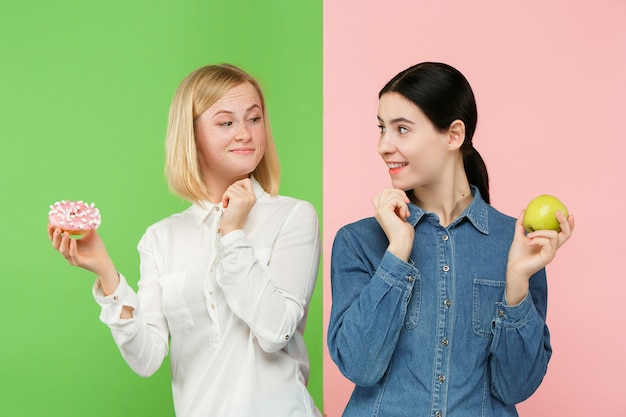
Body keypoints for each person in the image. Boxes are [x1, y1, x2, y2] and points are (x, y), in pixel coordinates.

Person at [49, 64, 322, 417]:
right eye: (226, 123)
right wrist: (107, 274)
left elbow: (276, 332)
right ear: (190, 135)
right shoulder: (161, 238)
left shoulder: (293, 217)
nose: (245, 133)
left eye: (254, 119)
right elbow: (146, 359)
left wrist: (233, 234)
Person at [327, 62, 574, 417]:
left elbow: (516, 386)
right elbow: (359, 365)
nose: (384, 145)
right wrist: (397, 253)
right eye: (382, 128)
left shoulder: (517, 241)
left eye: (402, 129)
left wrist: (518, 281)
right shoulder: (358, 242)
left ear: (454, 135)